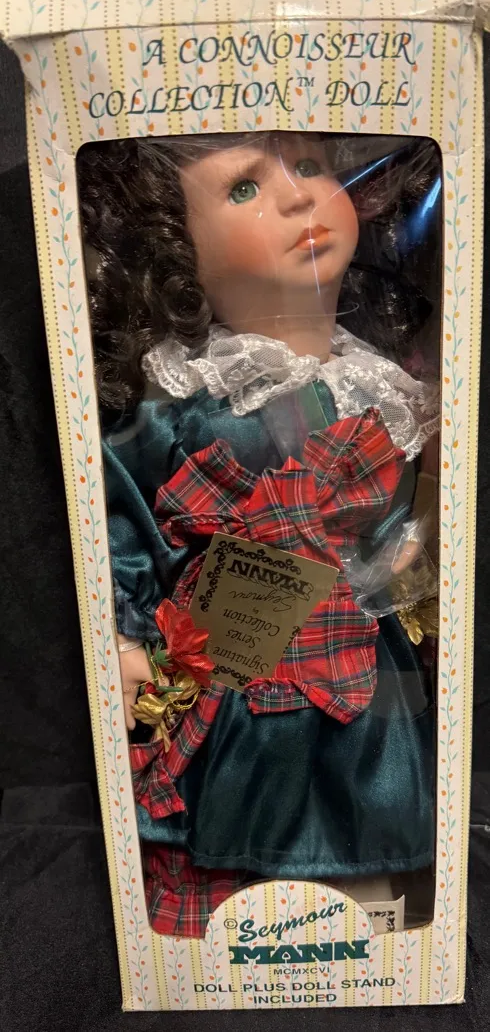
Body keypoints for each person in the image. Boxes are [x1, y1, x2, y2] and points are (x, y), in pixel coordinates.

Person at [78, 131, 440, 936]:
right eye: (244, 188)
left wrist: (406, 555)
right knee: (245, 793)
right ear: (180, 250)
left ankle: (364, 927)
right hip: (238, 656)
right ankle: (234, 924)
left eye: (310, 166)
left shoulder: (378, 388)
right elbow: (124, 508)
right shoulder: (194, 402)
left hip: (357, 652)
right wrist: (125, 631)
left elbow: (392, 513)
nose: (298, 194)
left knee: (362, 790)